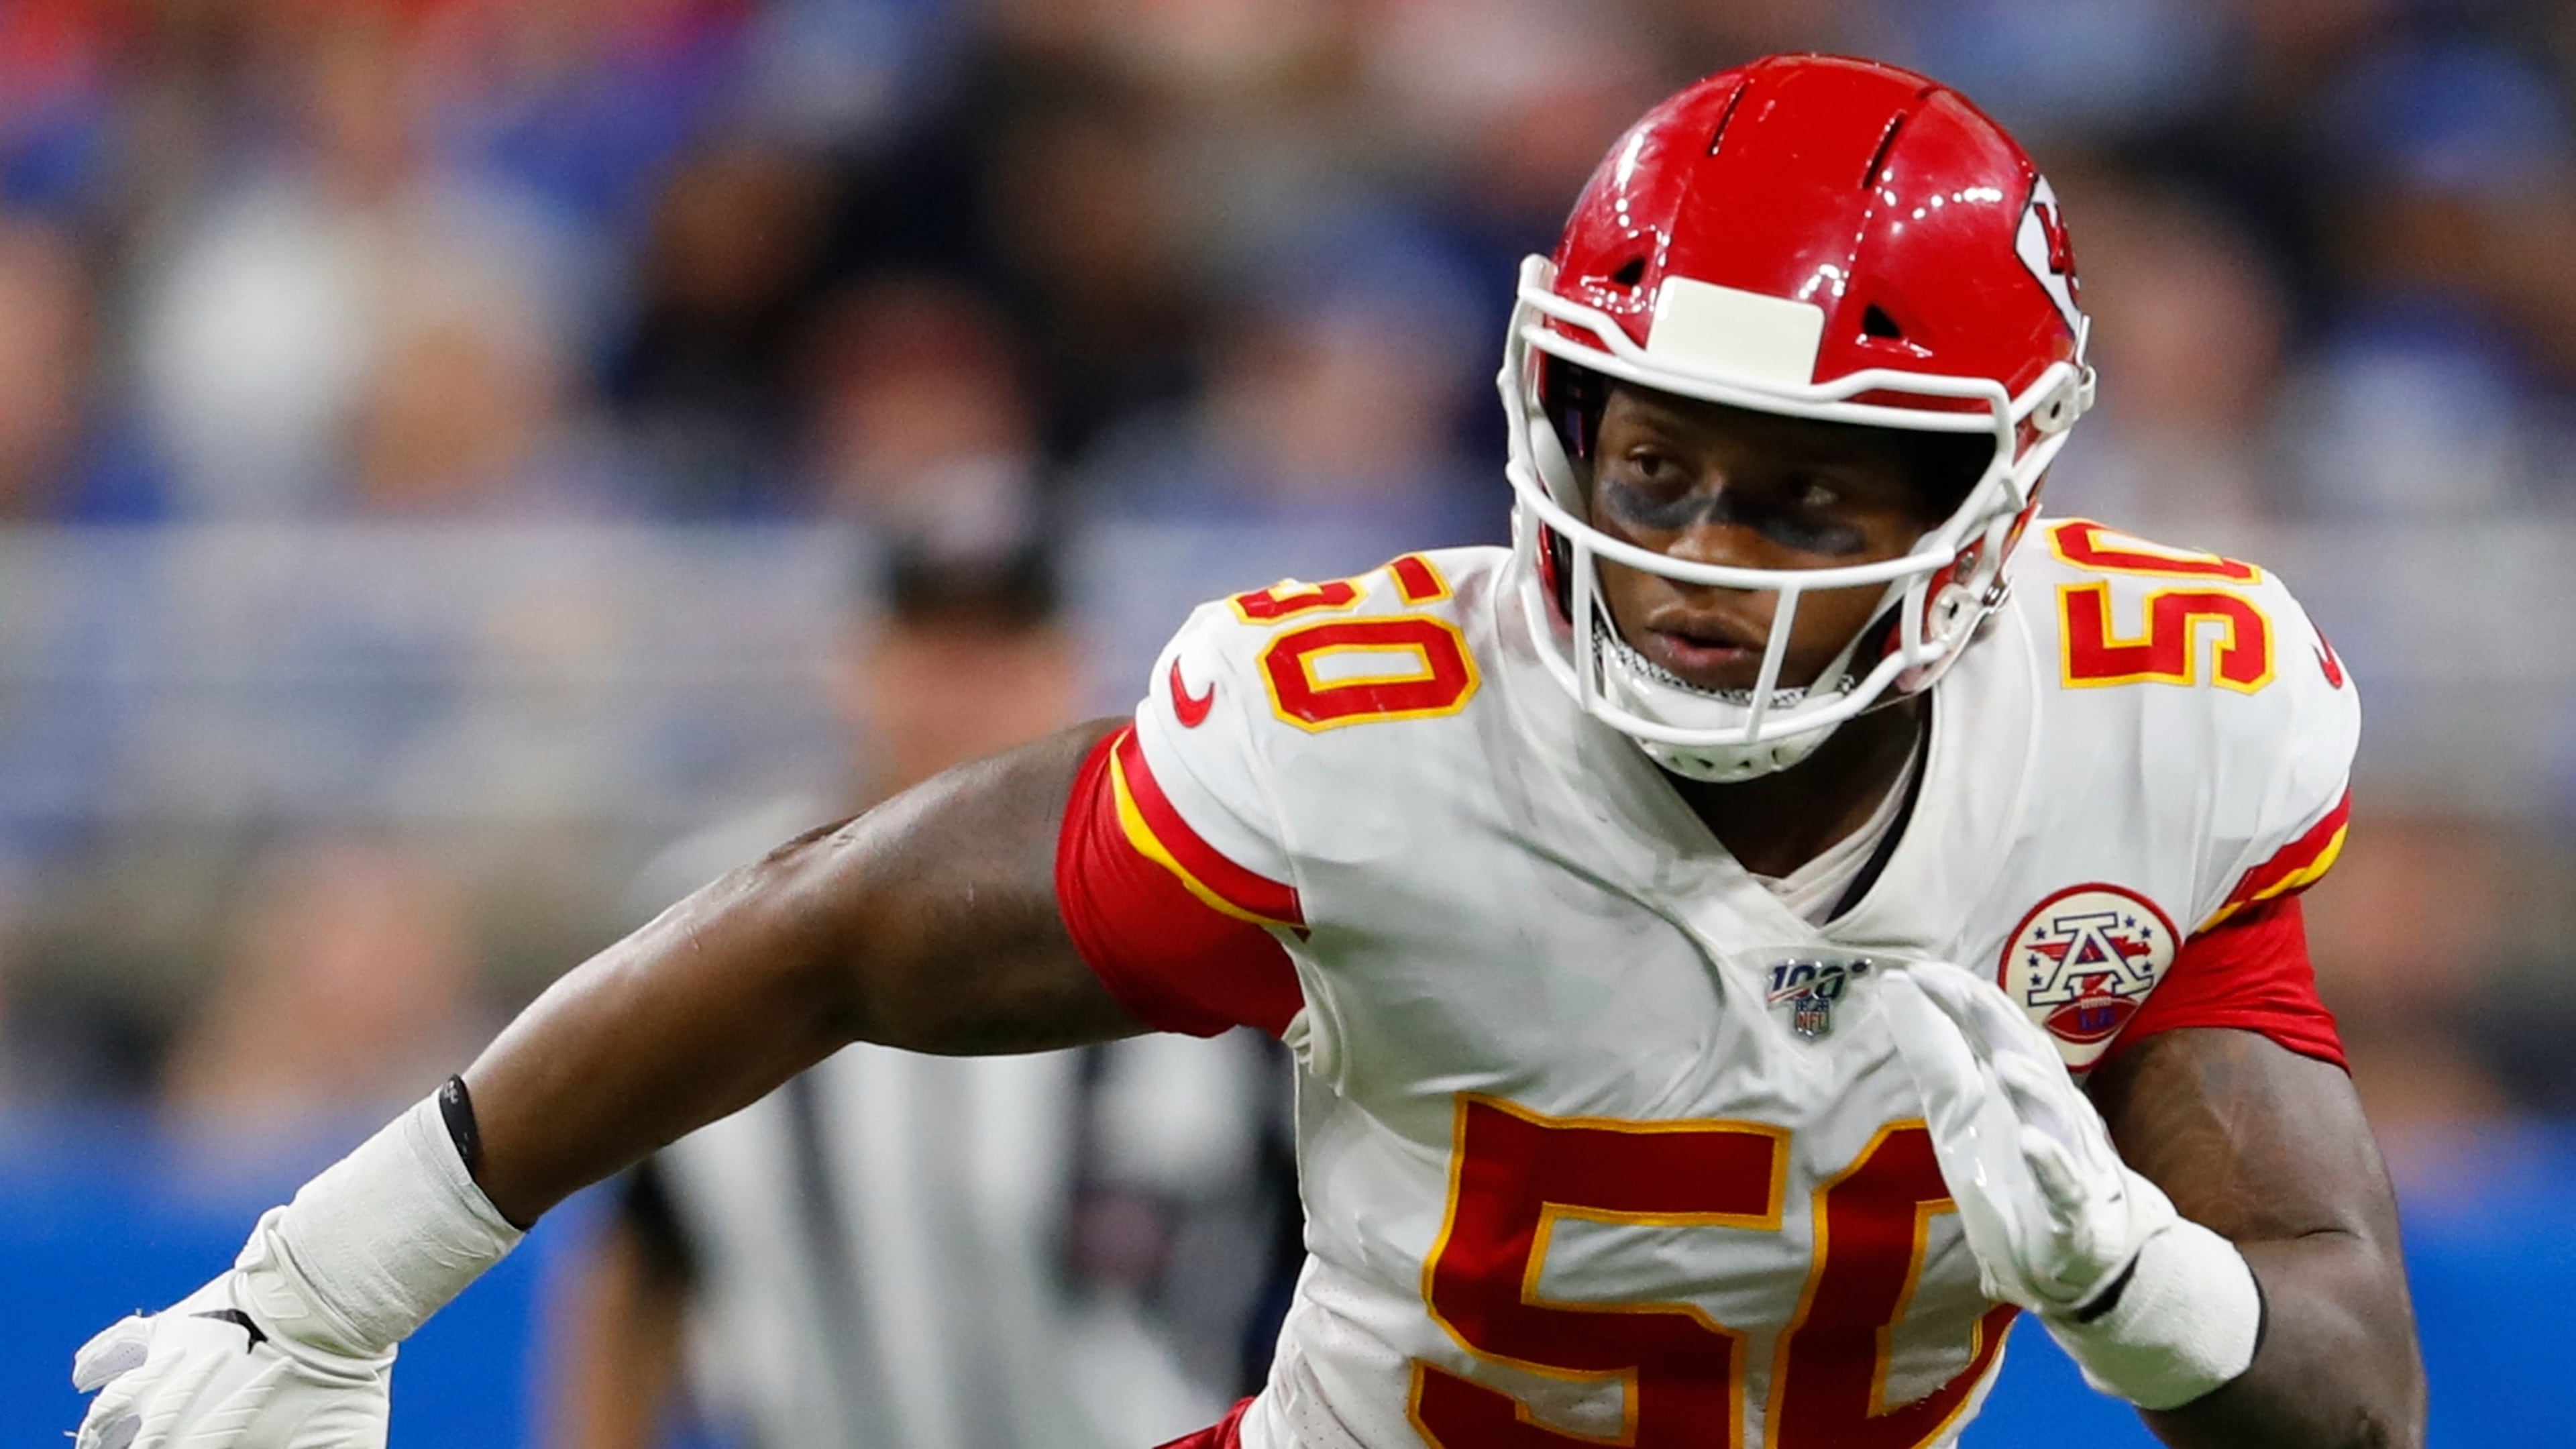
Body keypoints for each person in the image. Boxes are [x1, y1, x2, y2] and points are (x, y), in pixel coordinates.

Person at [70, 55, 2424, 1449]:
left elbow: (2353, 1387)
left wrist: (2154, 1295)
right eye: (1651, 466)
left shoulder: (2155, 725)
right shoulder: (1371, 738)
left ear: (1983, 505)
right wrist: (326, 1282)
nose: (1702, 557)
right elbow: (829, 928)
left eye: (1806, 494)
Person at [548, 539, 1258, 1449]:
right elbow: (641, 1256)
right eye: (935, 653)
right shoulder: (709, 927)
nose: (965, 694)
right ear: (861, 668)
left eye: (1001, 653)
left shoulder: (1208, 916)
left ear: (1069, 666)